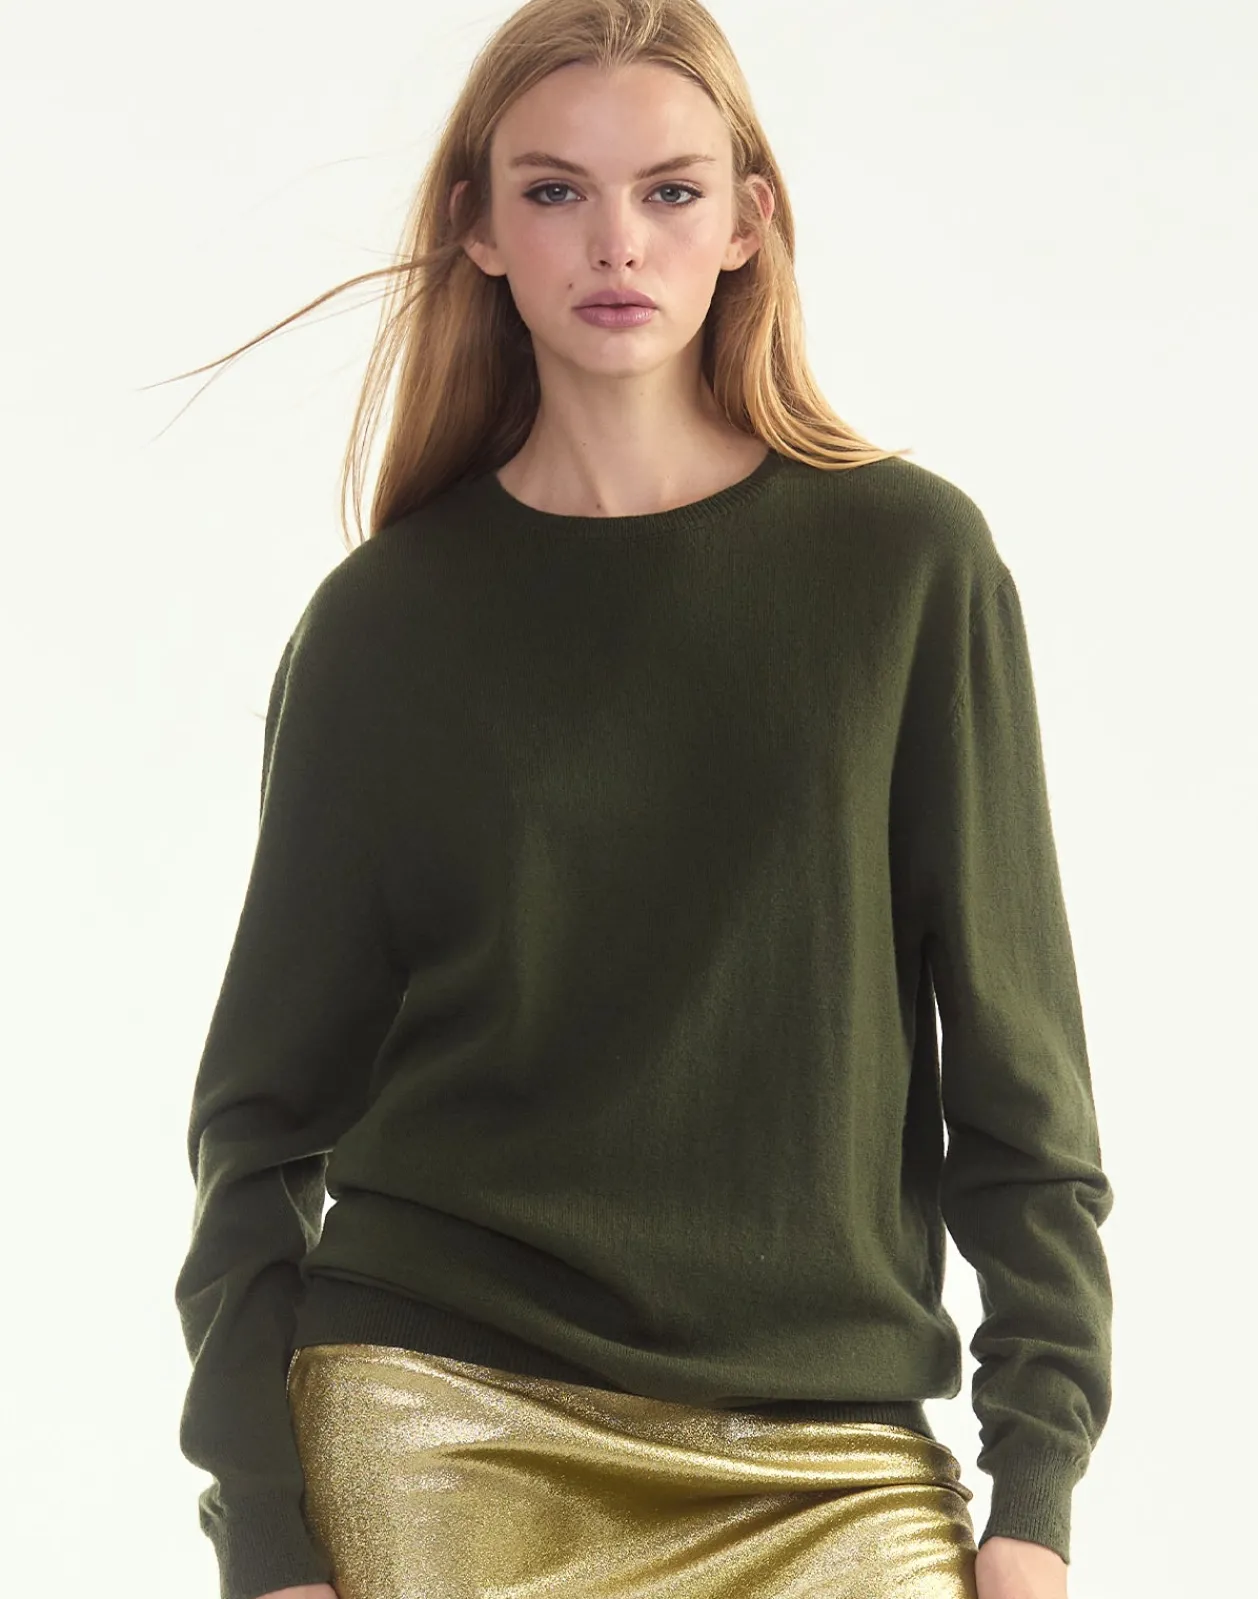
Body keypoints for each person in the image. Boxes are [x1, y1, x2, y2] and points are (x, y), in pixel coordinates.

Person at [171, 3, 1114, 1598]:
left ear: (748, 218)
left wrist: (1035, 1478)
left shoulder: (905, 567)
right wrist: (265, 1526)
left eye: (669, 190)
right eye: (553, 191)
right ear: (477, 227)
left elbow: (1018, 1079)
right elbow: (259, 1121)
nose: (616, 241)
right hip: (444, 1421)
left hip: (829, 1457)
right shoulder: (385, 626)